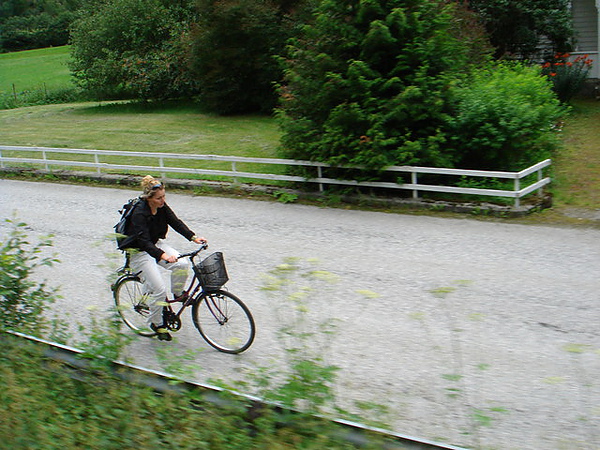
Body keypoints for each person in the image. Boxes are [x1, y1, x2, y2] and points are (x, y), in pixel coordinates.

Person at [124, 175, 206, 341]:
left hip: (155, 244)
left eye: (164, 197)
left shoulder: (161, 206)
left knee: (182, 264)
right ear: (149, 198)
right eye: (159, 198)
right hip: (139, 252)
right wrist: (163, 256)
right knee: (159, 290)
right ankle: (157, 324)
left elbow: (175, 221)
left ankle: (178, 293)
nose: (162, 200)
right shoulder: (139, 213)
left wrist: (193, 237)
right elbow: (144, 242)